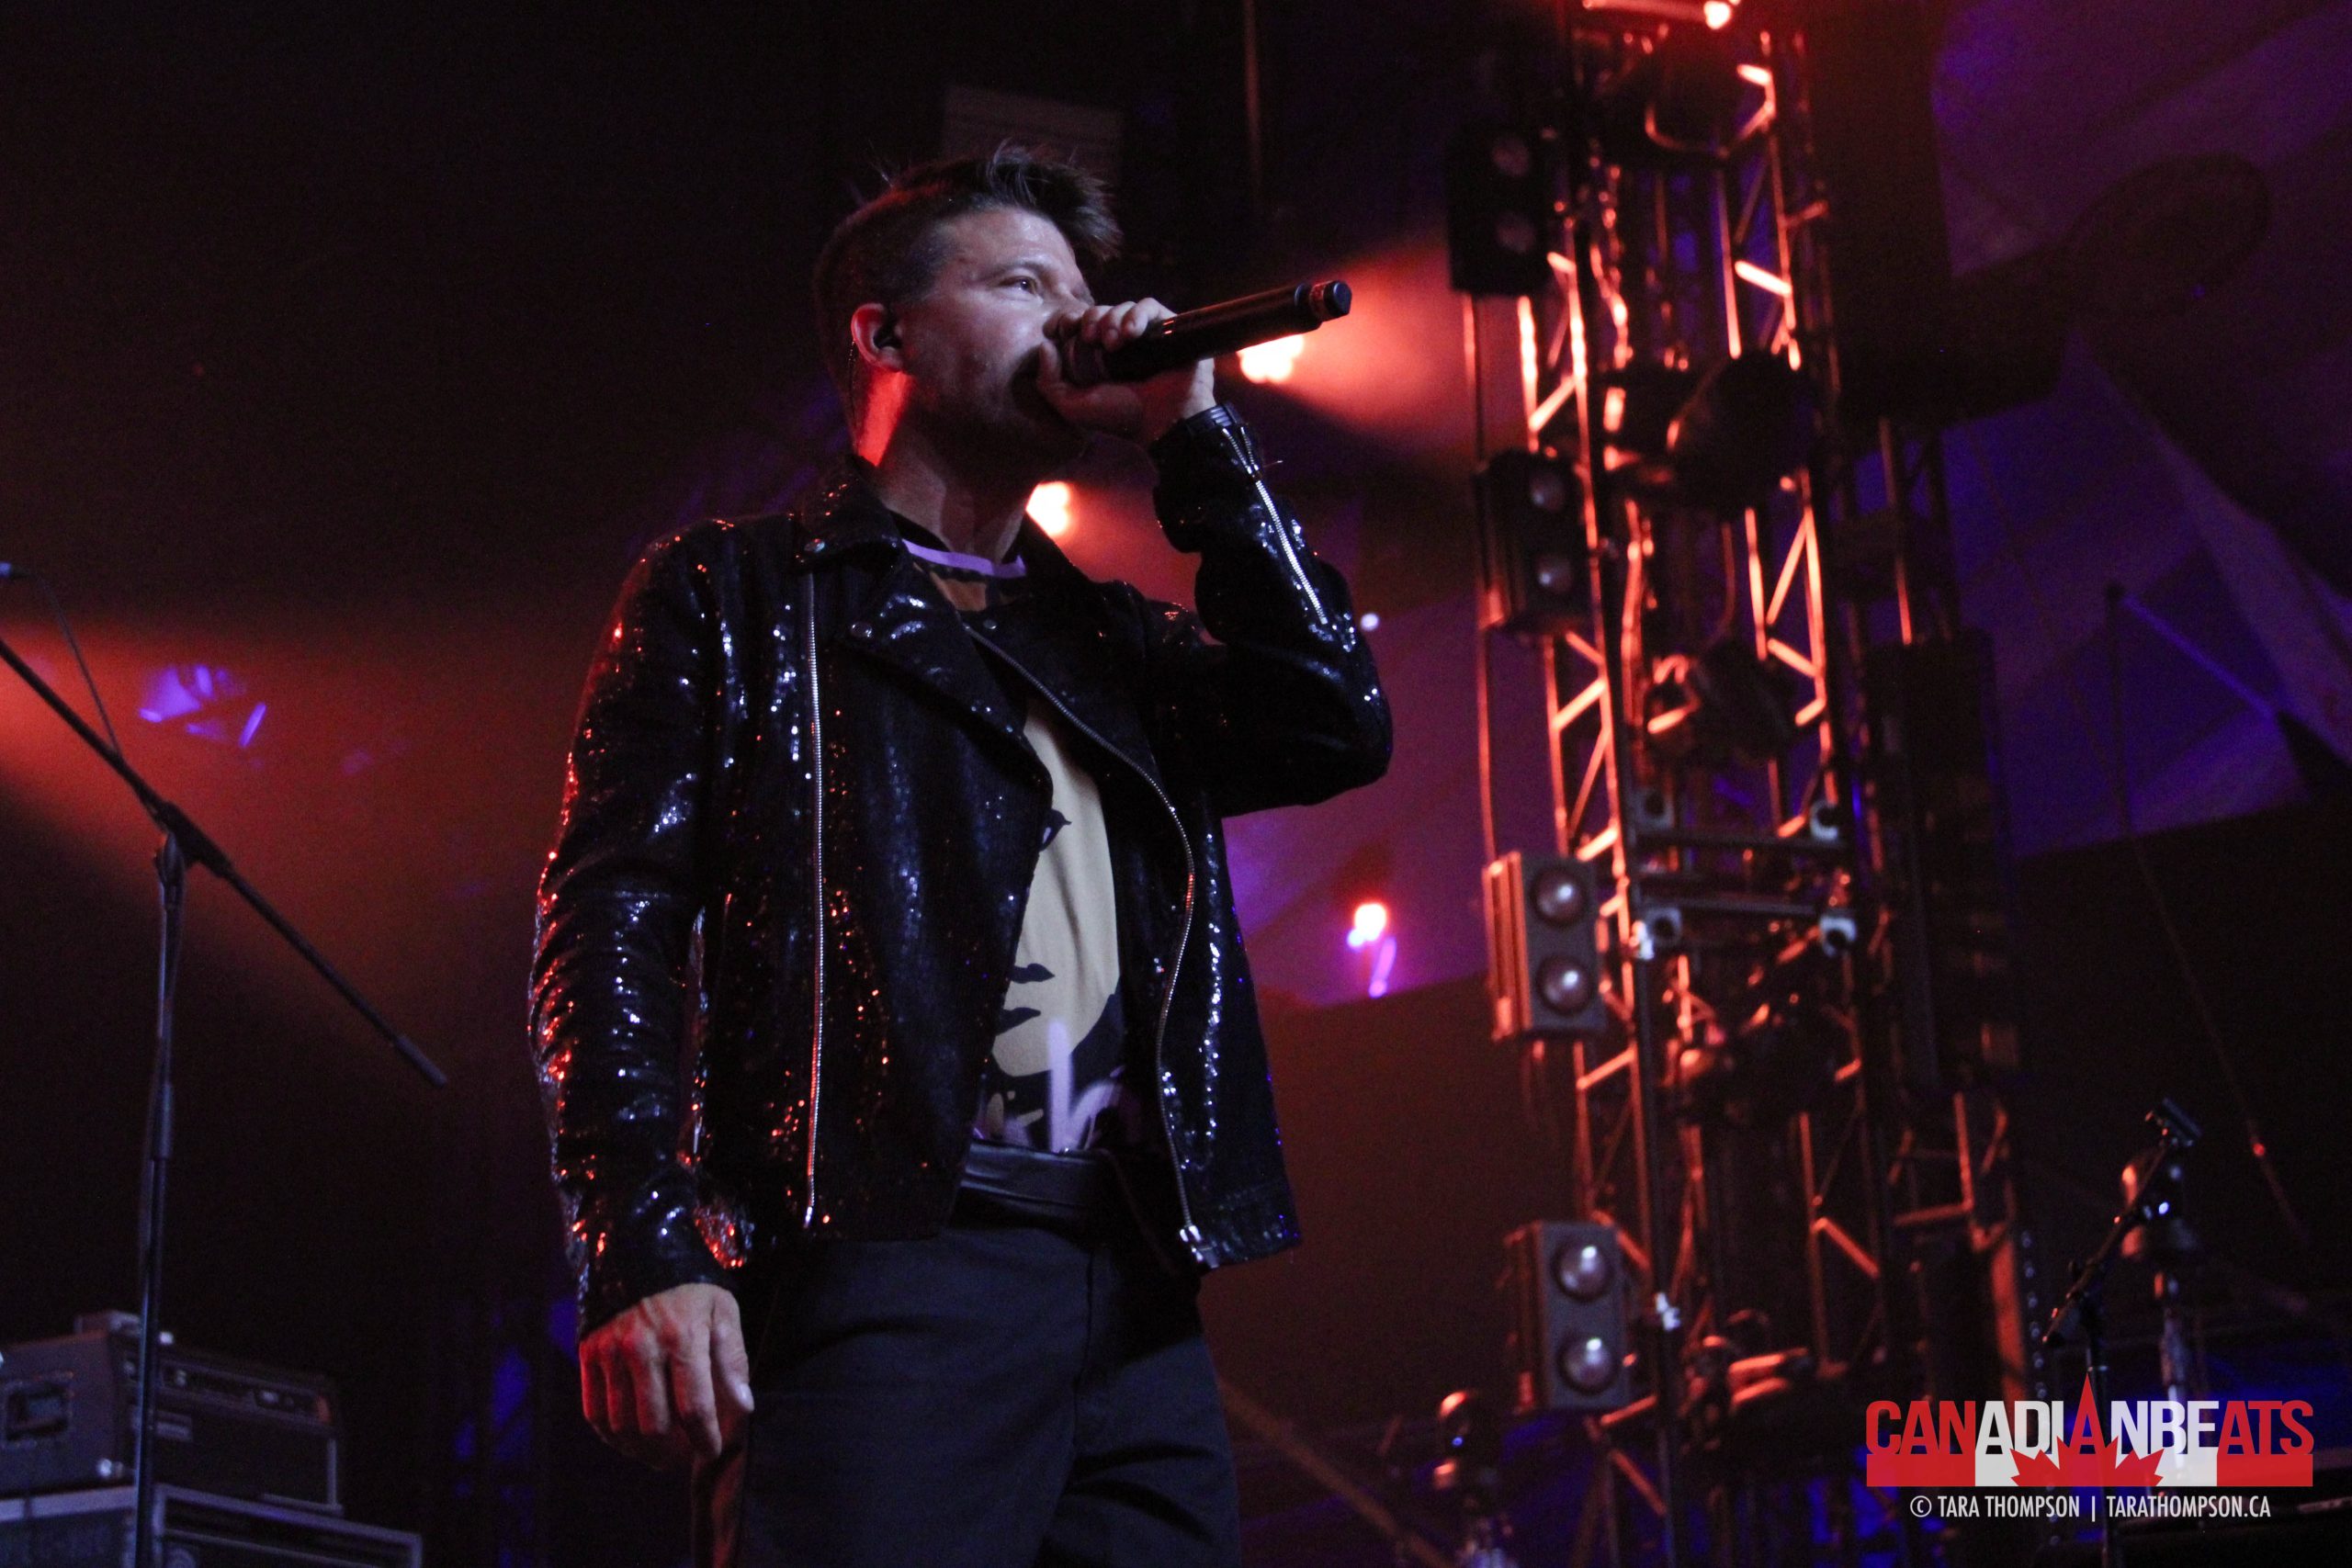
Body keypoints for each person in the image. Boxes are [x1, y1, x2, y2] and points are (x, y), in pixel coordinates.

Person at [529, 145, 1391, 1566]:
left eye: (1079, 289)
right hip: (881, 1259)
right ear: (889, 338)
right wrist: (637, 1239)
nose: (1076, 319)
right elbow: (608, 920)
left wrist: (1193, 437)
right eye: (1021, 285)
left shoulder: (1112, 641)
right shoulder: (737, 597)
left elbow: (1333, 723)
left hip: (1134, 1280)